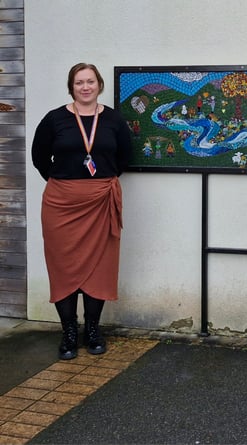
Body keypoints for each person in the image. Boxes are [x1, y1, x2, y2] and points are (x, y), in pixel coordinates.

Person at [32, 63, 132, 360]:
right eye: (79, 82)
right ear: (71, 86)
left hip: (100, 201)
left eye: (90, 81)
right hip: (61, 203)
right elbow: (40, 158)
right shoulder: (54, 119)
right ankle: (69, 332)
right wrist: (66, 182)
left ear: (99, 85)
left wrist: (98, 183)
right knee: (63, 266)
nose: (85, 87)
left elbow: (124, 156)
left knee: (99, 267)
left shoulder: (113, 119)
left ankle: (92, 330)